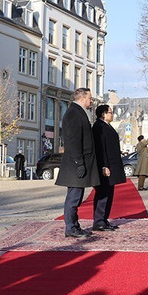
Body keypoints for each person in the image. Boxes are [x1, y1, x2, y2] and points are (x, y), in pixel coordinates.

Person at [56, 87, 100, 237]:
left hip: (78, 162)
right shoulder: (74, 113)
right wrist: (79, 162)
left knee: (76, 197)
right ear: (82, 99)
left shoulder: (77, 111)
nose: (91, 101)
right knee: (74, 198)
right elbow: (73, 140)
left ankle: (74, 225)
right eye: (89, 98)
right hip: (76, 164)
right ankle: (71, 228)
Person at [91, 104, 126, 231]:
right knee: (103, 194)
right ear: (103, 114)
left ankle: (104, 220)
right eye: (110, 112)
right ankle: (98, 221)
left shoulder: (107, 126)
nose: (112, 114)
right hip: (105, 166)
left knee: (109, 193)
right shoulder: (98, 127)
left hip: (112, 164)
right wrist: (104, 165)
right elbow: (100, 148)